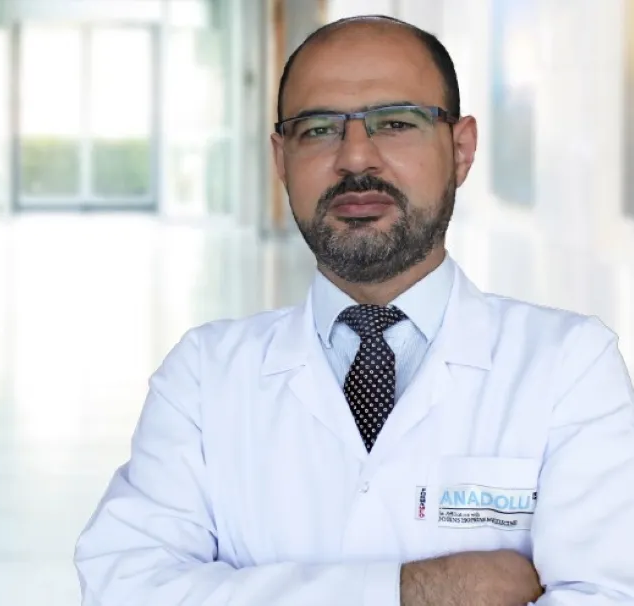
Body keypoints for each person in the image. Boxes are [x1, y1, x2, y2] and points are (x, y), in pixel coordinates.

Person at [73, 14, 634, 606]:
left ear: (461, 149)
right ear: (281, 159)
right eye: (319, 130)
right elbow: (124, 588)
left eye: (396, 123)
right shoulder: (203, 375)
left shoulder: (569, 366)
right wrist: (416, 592)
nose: (356, 158)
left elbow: (606, 595)